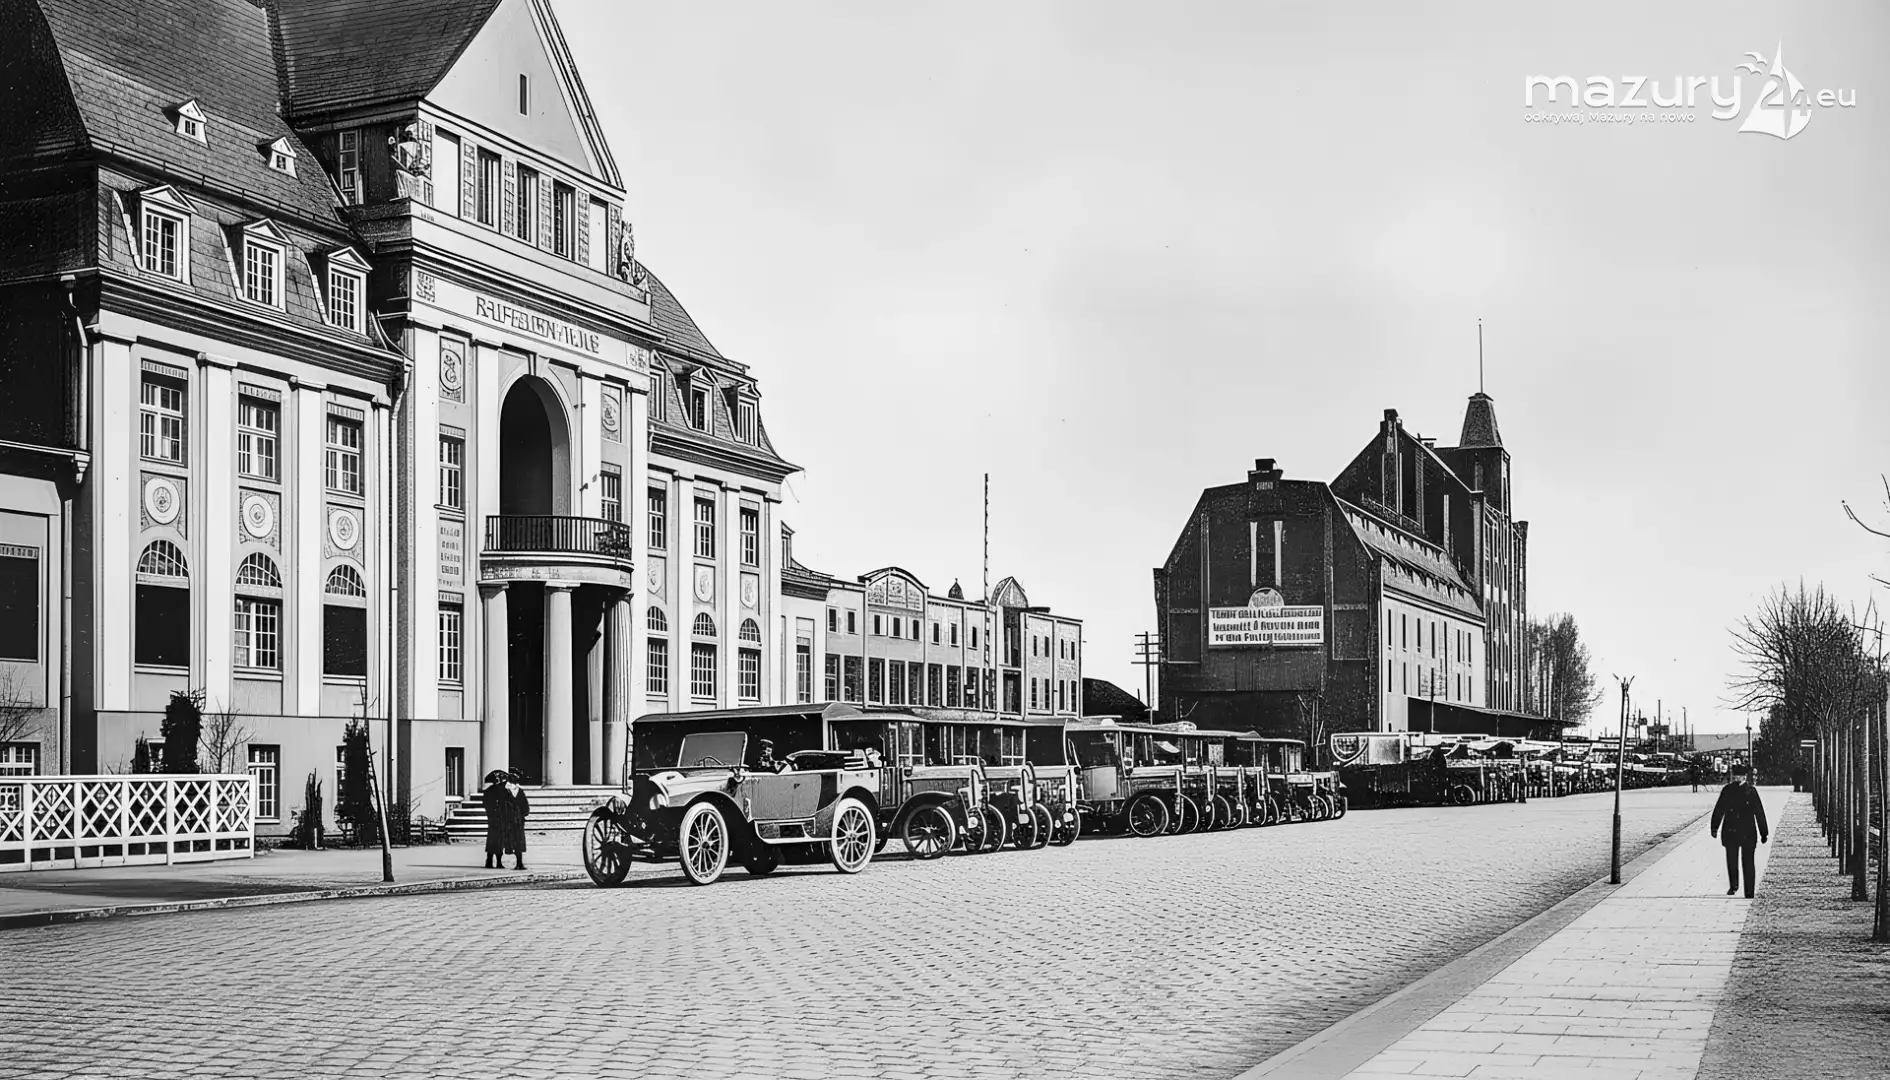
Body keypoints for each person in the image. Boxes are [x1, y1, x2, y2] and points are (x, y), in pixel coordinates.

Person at [1710, 764, 1769, 898]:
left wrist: (1763, 832)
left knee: (1748, 862)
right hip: (1731, 830)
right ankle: (1733, 885)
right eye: (1735, 776)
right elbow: (1719, 809)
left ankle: (1749, 891)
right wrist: (1714, 827)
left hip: (1748, 830)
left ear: (1745, 777)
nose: (1737, 778)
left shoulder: (1751, 791)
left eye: (1740, 776)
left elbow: (1759, 812)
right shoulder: (1727, 790)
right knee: (1732, 861)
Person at [479, 770, 511, 870]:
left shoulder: (503, 791)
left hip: (500, 818)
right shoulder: (492, 791)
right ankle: (491, 860)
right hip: (495, 818)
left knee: (498, 840)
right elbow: (486, 804)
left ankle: (496, 861)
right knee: (494, 839)